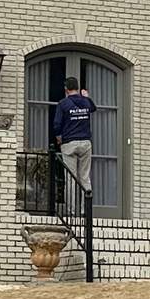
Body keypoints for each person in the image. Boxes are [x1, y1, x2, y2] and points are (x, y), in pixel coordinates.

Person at [54, 74, 97, 206]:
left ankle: (72, 212)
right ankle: (86, 211)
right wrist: (87, 97)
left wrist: (59, 137)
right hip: (85, 143)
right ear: (78, 88)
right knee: (85, 177)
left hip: (69, 144)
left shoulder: (63, 104)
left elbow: (57, 124)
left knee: (70, 179)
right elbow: (93, 108)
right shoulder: (85, 101)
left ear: (66, 89)